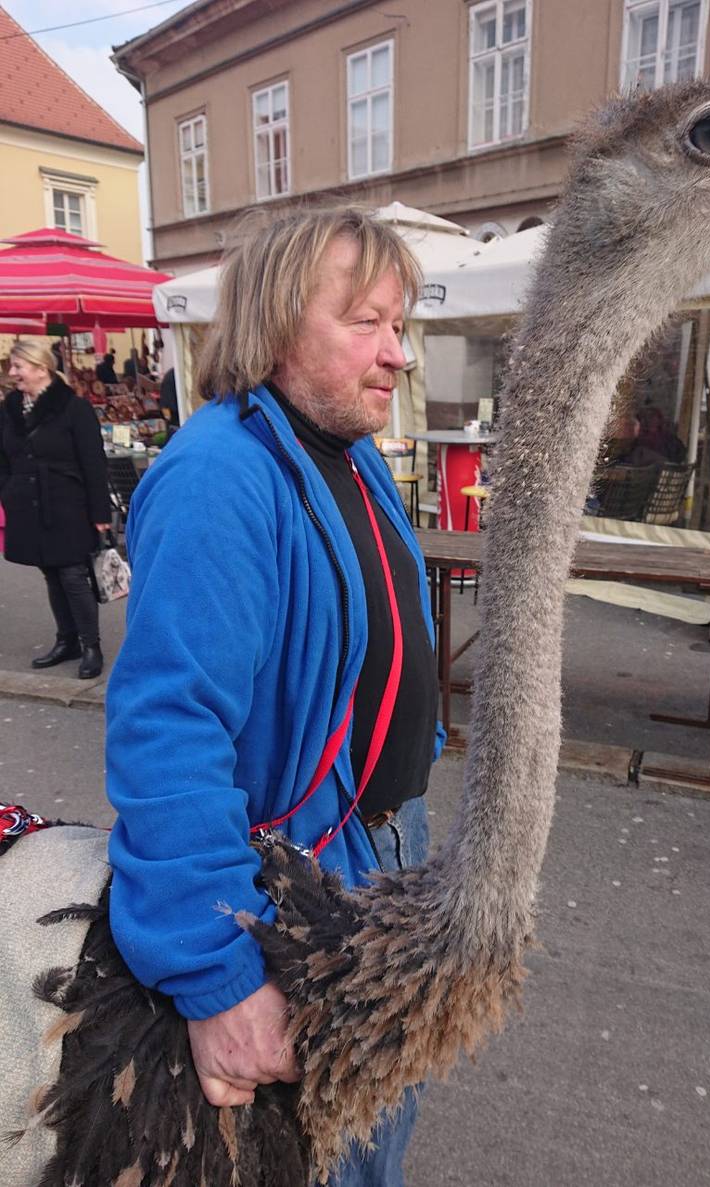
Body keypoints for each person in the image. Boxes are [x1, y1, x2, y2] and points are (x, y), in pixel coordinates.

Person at [104, 207, 444, 1186]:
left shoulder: (346, 452)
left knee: (373, 1123)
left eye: (399, 324)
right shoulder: (217, 474)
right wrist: (215, 967)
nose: (399, 355)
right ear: (276, 322)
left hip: (383, 849)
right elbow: (169, 727)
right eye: (366, 323)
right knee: (316, 1154)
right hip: (297, 883)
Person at [0, 340, 110, 679]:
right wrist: (8, 490)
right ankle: (67, 640)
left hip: (67, 504)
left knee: (73, 575)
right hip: (27, 505)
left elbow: (94, 463)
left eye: (19, 366)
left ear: (41, 368)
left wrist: (101, 514)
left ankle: (91, 644)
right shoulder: (10, 409)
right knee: (50, 572)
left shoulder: (74, 408)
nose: (12, 373)